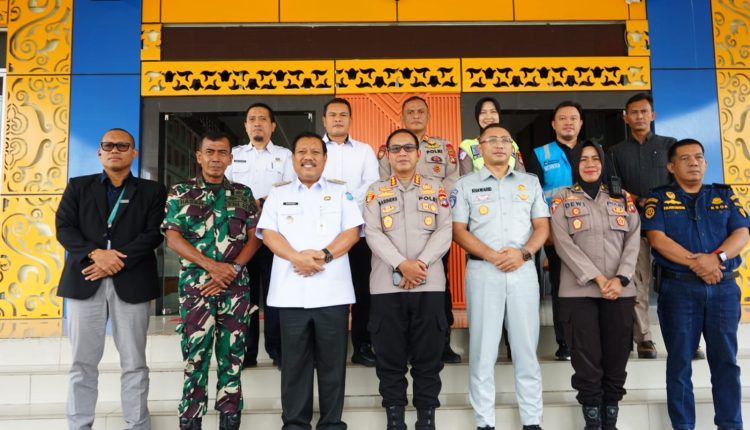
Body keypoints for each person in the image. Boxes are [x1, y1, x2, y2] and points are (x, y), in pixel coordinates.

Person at [56, 128, 167, 430]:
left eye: (122, 145)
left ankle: (137, 424)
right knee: (82, 362)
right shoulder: (78, 186)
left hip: (132, 280)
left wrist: (115, 261)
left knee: (134, 362)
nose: (114, 150)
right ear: (99, 151)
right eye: (108, 145)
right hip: (85, 279)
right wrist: (95, 254)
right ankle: (79, 425)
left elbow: (154, 233)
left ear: (134, 152)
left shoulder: (153, 191)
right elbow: (64, 228)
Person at [256, 132, 362, 430]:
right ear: (293, 159)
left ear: (325, 159)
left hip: (332, 293)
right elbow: (269, 234)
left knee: (332, 365)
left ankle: (331, 424)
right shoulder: (278, 193)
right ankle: (294, 424)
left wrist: (324, 256)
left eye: (315, 152)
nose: (308, 157)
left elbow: (352, 232)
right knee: (294, 366)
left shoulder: (341, 192)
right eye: (302, 151)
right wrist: (296, 257)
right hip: (290, 293)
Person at [642, 138, 749, 430]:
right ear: (671, 166)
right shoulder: (658, 199)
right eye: (685, 158)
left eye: (698, 157)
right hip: (679, 291)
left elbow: (742, 232)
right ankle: (683, 426)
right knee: (679, 363)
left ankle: (730, 425)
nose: (693, 162)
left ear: (705, 162)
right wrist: (698, 264)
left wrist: (716, 259)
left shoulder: (724, 195)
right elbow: (657, 239)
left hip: (723, 289)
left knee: (726, 361)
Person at [452, 124, 549, 430]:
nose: (498, 145)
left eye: (505, 140)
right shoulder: (464, 185)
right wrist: (493, 256)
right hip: (483, 272)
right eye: (491, 140)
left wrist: (523, 254)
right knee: (483, 350)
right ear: (479, 147)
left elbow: (542, 227)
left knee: (526, 349)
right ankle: (485, 422)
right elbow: (458, 231)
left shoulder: (530, 182)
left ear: (512, 148)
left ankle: (531, 421)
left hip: (522, 271)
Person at [162, 131, 261, 430]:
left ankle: (229, 418)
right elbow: (173, 238)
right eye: (210, 152)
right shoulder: (180, 192)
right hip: (197, 289)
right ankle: (191, 418)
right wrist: (213, 267)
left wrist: (232, 268)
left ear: (230, 158)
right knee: (195, 358)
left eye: (222, 153)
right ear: (199, 156)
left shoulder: (243, 193)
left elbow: (255, 237)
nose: (216, 158)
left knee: (233, 358)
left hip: (235, 288)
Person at [364, 129, 452, 430]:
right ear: (388, 155)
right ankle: (395, 420)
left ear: (418, 154)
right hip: (386, 287)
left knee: (429, 358)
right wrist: (402, 265)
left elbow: (445, 230)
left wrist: (420, 264)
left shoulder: (436, 188)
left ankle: (426, 420)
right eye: (395, 149)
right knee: (390, 359)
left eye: (408, 148)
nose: (402, 153)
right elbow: (372, 232)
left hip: (430, 285)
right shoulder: (375, 191)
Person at [550, 141, 641, 430]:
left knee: (616, 357)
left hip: (619, 291)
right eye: (583, 159)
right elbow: (562, 243)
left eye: (595, 159)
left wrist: (620, 278)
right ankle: (592, 421)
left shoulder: (621, 197)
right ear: (575, 165)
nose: (590, 164)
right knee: (586, 359)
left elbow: (633, 239)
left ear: (603, 163)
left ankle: (610, 421)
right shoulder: (561, 198)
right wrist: (598, 278)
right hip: (579, 291)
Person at [378, 95, 461, 363]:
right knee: (396, 278)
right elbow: (384, 182)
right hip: (397, 224)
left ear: (428, 116)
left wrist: (434, 201)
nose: (415, 115)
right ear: (401, 117)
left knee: (439, 282)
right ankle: (404, 344)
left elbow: (453, 180)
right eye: (410, 112)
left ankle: (442, 341)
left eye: (420, 111)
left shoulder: (444, 147)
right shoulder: (388, 149)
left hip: (433, 224)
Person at [606, 92, 678, 360]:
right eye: (633, 113)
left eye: (643, 112)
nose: (639, 117)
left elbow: (679, 180)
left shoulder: (670, 145)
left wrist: (658, 200)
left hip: (670, 223)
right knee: (638, 280)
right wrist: (637, 199)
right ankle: (644, 338)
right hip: (634, 224)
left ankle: (686, 339)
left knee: (676, 282)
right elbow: (613, 187)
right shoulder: (615, 152)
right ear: (625, 118)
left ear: (653, 115)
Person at [225, 102, 295, 368]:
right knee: (245, 294)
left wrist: (263, 200)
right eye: (252, 118)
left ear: (272, 126)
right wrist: (246, 203)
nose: (257, 123)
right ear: (245, 125)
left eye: (263, 119)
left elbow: (290, 188)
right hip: (241, 236)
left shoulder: (285, 156)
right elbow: (225, 188)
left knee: (275, 292)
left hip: (274, 234)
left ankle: (277, 350)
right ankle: (248, 351)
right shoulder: (234, 155)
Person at [322, 97, 380, 367]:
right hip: (323, 233)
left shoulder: (364, 151)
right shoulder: (314, 148)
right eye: (333, 115)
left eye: (343, 115)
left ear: (350, 120)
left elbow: (372, 185)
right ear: (324, 120)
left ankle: (362, 345)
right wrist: (339, 200)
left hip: (359, 231)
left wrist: (341, 199)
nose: (338, 119)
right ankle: (328, 348)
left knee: (361, 291)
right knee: (327, 289)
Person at [526, 100, 585, 361]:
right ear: (553, 124)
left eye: (573, 118)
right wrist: (544, 231)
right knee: (562, 286)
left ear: (580, 123)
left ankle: (589, 339)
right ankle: (566, 343)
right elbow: (534, 197)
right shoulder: (540, 154)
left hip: (591, 232)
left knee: (592, 283)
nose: (568, 123)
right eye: (562, 118)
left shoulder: (594, 152)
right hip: (557, 233)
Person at [459, 97, 525, 174]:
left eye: (493, 111)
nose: (488, 116)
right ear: (477, 116)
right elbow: (465, 179)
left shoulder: (511, 143)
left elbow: (522, 175)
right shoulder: (467, 146)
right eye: (483, 112)